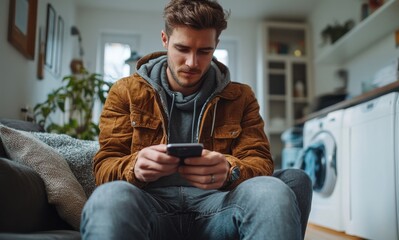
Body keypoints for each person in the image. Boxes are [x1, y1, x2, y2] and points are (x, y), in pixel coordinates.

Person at [80, 0, 312, 239]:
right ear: (165, 40)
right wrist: (135, 167)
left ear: (216, 45)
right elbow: (104, 167)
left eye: (204, 52)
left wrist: (229, 170)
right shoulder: (125, 91)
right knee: (109, 198)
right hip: (150, 204)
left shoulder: (241, 97)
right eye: (182, 49)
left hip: (219, 206)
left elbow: (261, 162)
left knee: (273, 191)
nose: (192, 63)